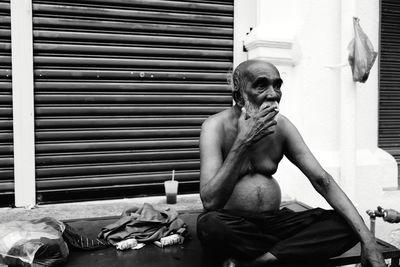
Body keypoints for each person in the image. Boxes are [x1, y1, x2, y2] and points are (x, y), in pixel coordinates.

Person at [197, 59, 385, 267]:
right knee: (209, 226)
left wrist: (368, 240)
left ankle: (260, 260)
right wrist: (243, 141)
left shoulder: (283, 127)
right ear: (239, 95)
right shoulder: (214, 127)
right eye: (262, 85)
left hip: (275, 223)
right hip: (234, 224)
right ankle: (287, 250)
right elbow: (210, 202)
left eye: (277, 85)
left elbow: (322, 180)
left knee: (346, 223)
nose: (273, 93)